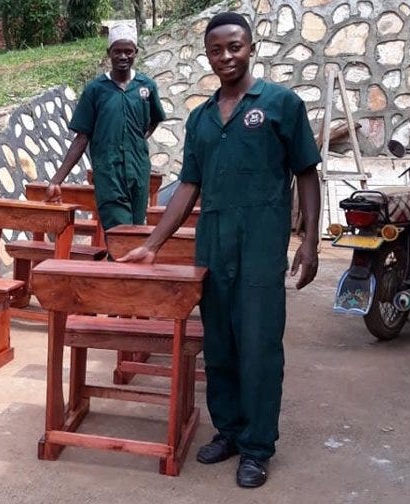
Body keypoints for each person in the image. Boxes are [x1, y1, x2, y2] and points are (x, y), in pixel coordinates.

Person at [118, 12, 321, 488]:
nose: (226, 56)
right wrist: (152, 245)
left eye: (235, 46)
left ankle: (256, 447)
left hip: (261, 246)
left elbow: (307, 174)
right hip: (212, 245)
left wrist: (310, 242)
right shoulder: (202, 117)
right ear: (207, 54)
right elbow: (189, 185)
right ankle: (229, 431)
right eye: (216, 49)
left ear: (251, 47)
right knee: (220, 343)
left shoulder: (280, 104)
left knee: (259, 345)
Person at [45, 22, 166, 232]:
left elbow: (154, 119)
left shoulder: (146, 87)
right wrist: (57, 179)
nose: (123, 57)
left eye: (128, 51)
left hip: (138, 171)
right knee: (119, 233)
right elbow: (82, 138)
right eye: (117, 51)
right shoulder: (95, 90)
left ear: (136, 52)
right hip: (109, 174)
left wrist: (136, 140)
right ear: (109, 53)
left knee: (137, 232)